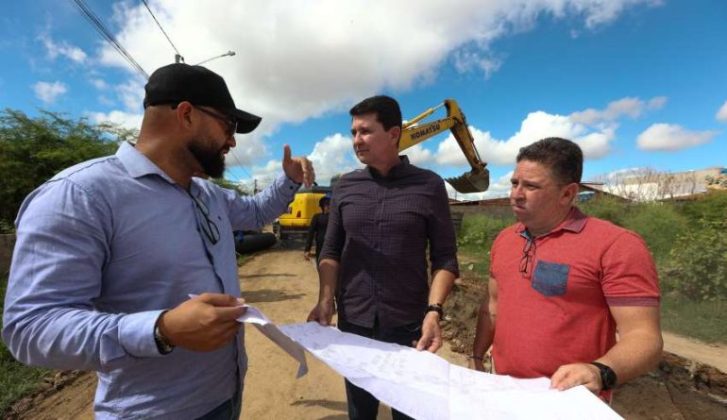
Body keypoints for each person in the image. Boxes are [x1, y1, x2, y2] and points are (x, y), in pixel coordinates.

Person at [2, 63, 314, 419]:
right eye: (228, 126)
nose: (232, 141)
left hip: (227, 395)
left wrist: (288, 180)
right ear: (185, 115)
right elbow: (30, 327)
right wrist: (161, 330)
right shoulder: (80, 196)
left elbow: (256, 212)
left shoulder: (208, 194)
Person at [471, 137, 663, 400]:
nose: (516, 194)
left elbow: (645, 337)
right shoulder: (505, 239)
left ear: (567, 194)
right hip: (503, 389)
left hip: (569, 400)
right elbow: (492, 307)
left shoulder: (617, 246)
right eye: (515, 183)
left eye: (531, 186)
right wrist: (477, 355)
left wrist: (600, 372)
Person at [307, 95, 459, 420]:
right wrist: (325, 299)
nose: (356, 140)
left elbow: (445, 257)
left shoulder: (429, 185)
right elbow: (331, 251)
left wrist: (434, 311)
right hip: (355, 322)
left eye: (365, 131)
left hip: (409, 324)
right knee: (361, 411)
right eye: (353, 133)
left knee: (409, 410)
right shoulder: (345, 187)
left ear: (393, 133)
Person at [303, 195, 331, 264]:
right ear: (325, 206)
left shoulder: (317, 217)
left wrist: (307, 249)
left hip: (321, 247)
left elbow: (311, 234)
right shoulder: (335, 218)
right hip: (333, 247)